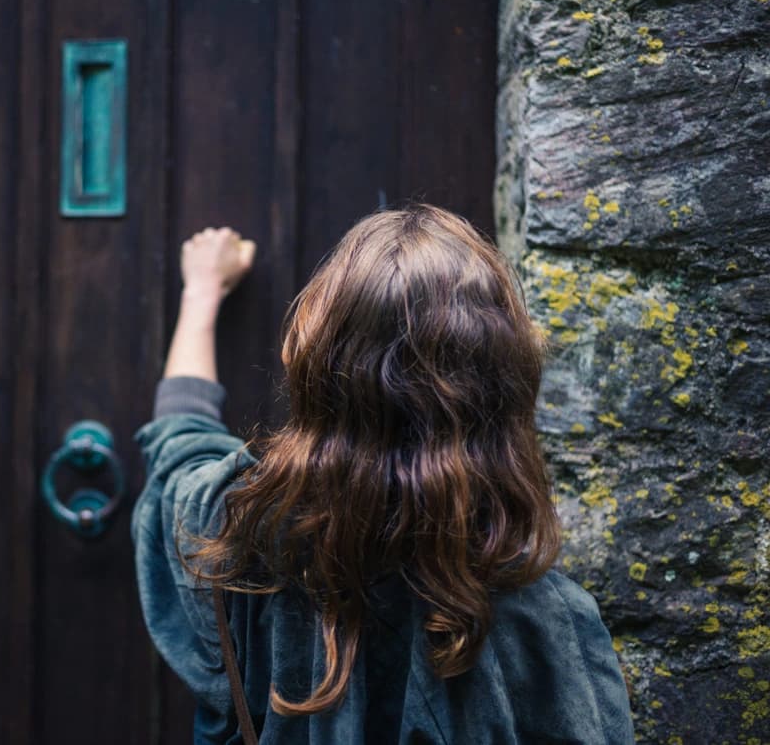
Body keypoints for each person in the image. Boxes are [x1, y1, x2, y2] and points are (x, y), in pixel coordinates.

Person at [131, 206, 635, 744]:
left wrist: (202, 293)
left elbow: (179, 442)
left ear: (316, 367)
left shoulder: (235, 533)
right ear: (506, 385)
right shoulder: (548, 625)